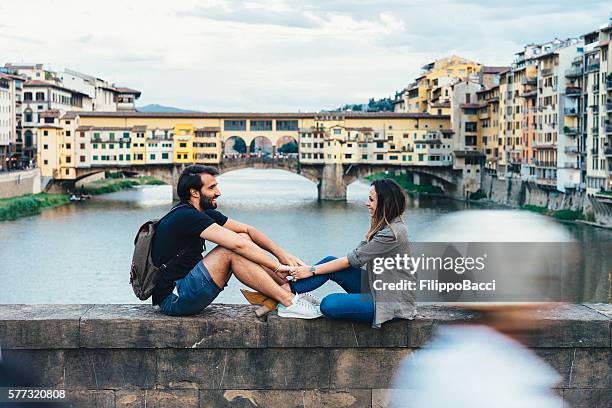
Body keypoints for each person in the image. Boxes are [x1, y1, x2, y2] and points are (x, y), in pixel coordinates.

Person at [151, 164, 321, 319]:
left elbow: (248, 231)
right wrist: (276, 266)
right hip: (174, 298)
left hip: (188, 287)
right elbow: (237, 246)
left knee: (242, 237)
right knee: (230, 251)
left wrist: (282, 254)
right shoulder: (186, 216)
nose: (218, 192)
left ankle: (288, 289)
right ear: (194, 192)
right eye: (212, 188)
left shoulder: (203, 212)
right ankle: (289, 301)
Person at [286, 178, 417, 328]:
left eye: (371, 200)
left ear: (384, 204)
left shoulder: (393, 233)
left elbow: (352, 260)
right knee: (330, 261)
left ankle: (283, 294)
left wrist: (311, 270)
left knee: (328, 304)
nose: (367, 203)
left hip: (390, 303)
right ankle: (285, 293)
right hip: (376, 287)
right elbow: (357, 254)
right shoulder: (386, 225)